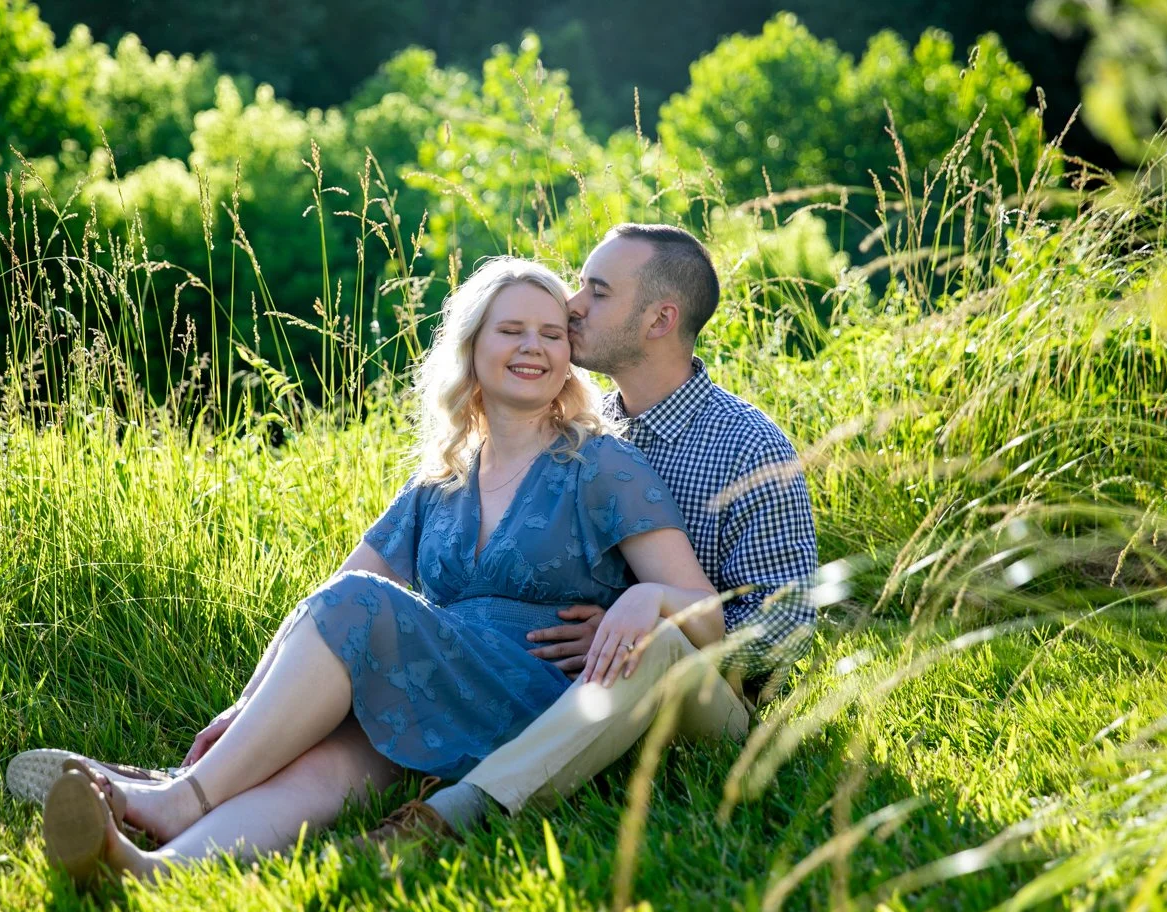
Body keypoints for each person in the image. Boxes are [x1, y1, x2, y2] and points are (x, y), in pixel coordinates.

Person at [37, 256, 731, 885]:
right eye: (511, 330)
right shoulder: (441, 478)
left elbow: (708, 611)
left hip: (541, 699)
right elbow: (326, 602)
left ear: (569, 358)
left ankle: (176, 797)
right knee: (328, 769)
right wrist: (249, 705)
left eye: (553, 334)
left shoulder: (603, 464)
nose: (534, 347)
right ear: (472, 349)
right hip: (437, 684)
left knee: (362, 607)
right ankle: (154, 871)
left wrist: (647, 600)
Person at [348, 222, 820, 846]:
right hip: (574, 684)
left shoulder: (748, 445)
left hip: (712, 705)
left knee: (651, 643)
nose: (572, 306)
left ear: (658, 320)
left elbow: (784, 627)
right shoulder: (579, 432)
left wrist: (646, 614)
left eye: (596, 291)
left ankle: (461, 811)